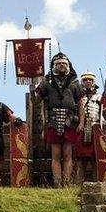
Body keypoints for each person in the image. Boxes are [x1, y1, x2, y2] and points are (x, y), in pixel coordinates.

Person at [35, 52, 81, 187]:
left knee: (67, 154)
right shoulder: (46, 82)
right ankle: (57, 183)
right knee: (55, 154)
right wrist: (34, 88)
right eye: (59, 63)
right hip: (53, 119)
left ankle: (66, 184)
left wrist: (82, 122)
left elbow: (80, 104)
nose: (62, 65)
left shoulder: (74, 83)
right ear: (54, 66)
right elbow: (37, 100)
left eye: (64, 64)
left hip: (70, 120)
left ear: (68, 66)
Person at [75, 71, 102, 182]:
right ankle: (78, 183)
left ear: (93, 82)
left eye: (90, 80)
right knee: (81, 159)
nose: (88, 81)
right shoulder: (78, 96)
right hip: (81, 128)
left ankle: (97, 183)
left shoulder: (99, 97)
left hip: (94, 128)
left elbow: (102, 113)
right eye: (85, 80)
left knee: (94, 158)